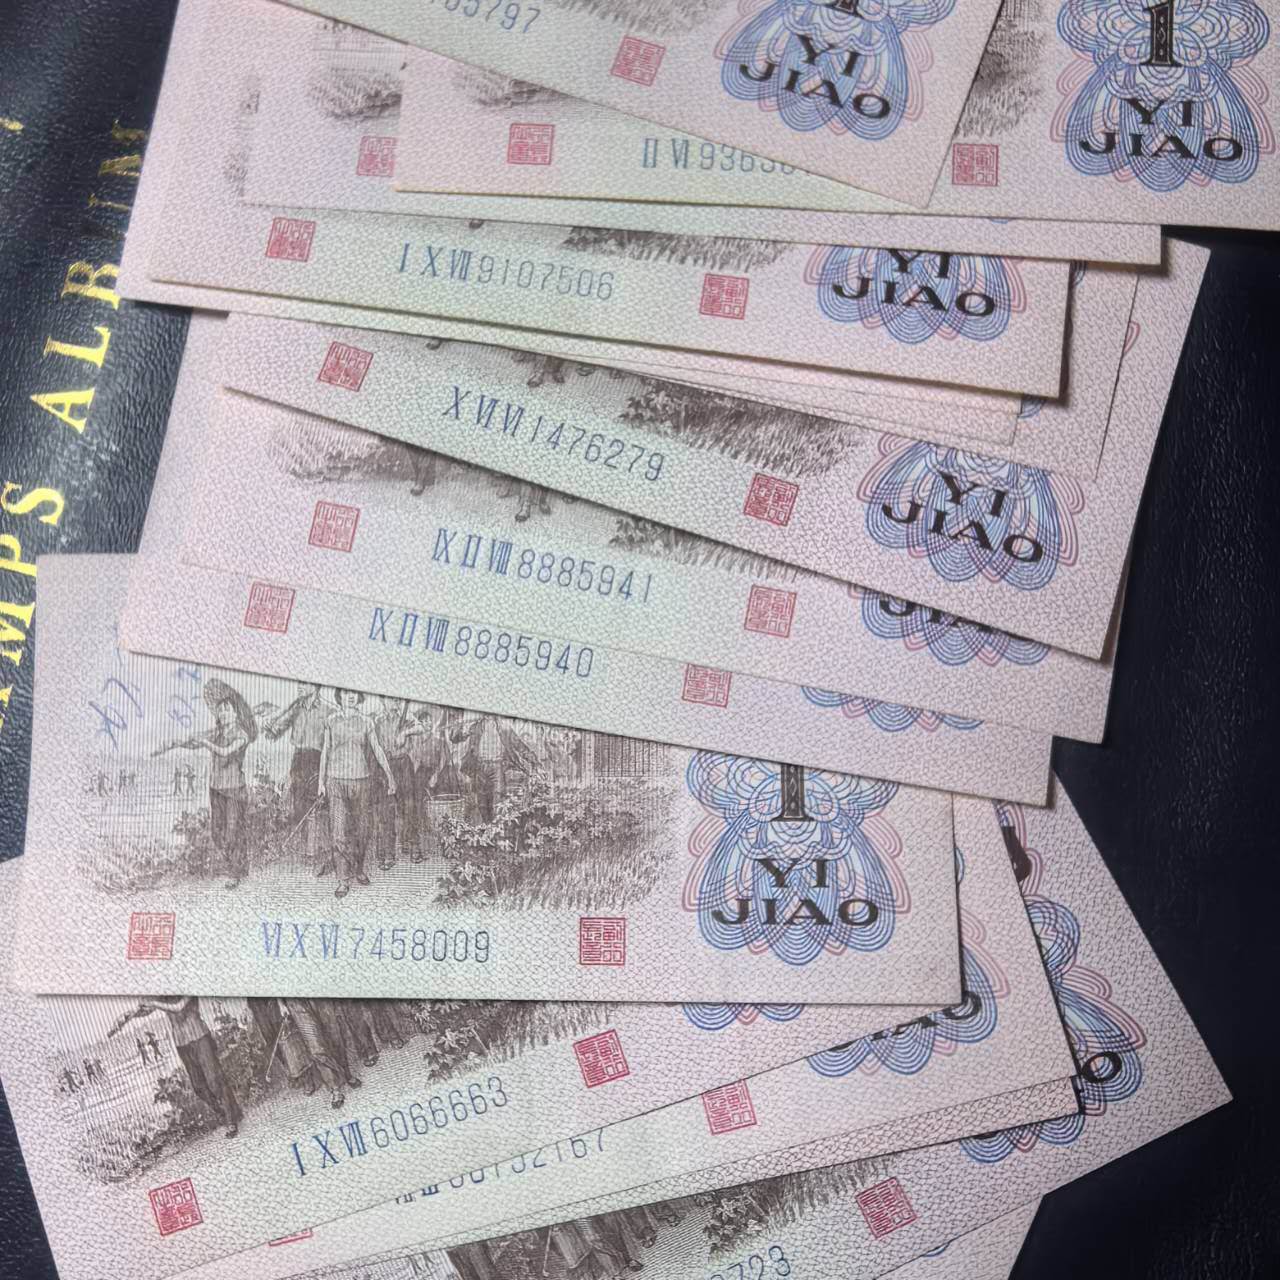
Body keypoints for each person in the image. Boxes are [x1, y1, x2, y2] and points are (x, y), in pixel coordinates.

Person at [319, 690, 395, 899]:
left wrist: (390, 776)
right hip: (335, 781)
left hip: (361, 782)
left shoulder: (367, 721)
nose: (350, 696)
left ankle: (358, 868)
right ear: (340, 696)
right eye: (345, 692)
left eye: (354, 693)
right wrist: (321, 782)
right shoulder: (331, 720)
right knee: (338, 832)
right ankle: (343, 879)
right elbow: (325, 750)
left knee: (362, 830)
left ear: (359, 697)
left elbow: (377, 749)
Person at [136, 997, 242, 1138]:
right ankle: (229, 1112)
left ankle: (230, 1120)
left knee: (214, 1080)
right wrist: (133, 1013)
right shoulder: (163, 995)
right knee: (199, 1087)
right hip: (182, 1044)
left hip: (199, 1037)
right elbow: (148, 1010)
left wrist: (153, 1003)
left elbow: (178, 1007)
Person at [264, 683, 331, 874]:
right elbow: (273, 734)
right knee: (299, 807)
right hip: (298, 760)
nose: (300, 687)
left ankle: (314, 854)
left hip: (317, 760)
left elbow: (332, 745)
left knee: (314, 808)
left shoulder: (328, 710)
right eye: (299, 683)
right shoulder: (296, 709)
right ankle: (305, 851)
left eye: (305, 683)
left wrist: (326, 774)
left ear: (316, 687)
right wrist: (269, 726)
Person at [449, 713, 539, 823]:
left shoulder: (503, 728)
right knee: (482, 803)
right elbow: (454, 738)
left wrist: (535, 762)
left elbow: (519, 746)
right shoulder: (476, 726)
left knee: (499, 801)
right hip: (480, 768)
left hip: (497, 767)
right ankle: (488, 827)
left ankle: (497, 827)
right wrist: (458, 725)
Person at [279, 998, 362, 1108]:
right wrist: (281, 1003)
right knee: (316, 1049)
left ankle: (347, 1073)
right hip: (296, 1004)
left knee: (335, 1038)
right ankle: (334, 1087)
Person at [372, 697, 421, 870]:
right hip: (385, 766)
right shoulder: (376, 719)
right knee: (386, 812)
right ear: (383, 701)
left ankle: (414, 847)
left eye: (397, 700)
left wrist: (405, 733)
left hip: (403, 764)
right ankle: (388, 853)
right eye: (391, 700)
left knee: (409, 807)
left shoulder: (405, 715)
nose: (395, 702)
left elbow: (421, 727)